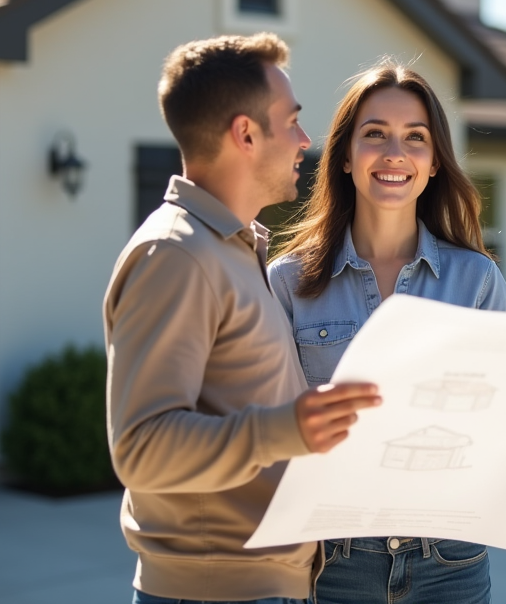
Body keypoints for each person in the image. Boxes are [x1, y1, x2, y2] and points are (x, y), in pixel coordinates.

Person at [268, 62, 506, 604]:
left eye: (416, 138)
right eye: (375, 135)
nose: (395, 153)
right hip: (331, 563)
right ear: (344, 156)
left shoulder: (477, 279)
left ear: (434, 164)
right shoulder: (288, 283)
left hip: (451, 562)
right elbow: (264, 434)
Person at [103, 34, 382, 604]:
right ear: (246, 134)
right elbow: (140, 447)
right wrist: (285, 429)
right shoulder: (177, 255)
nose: (307, 141)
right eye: (293, 122)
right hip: (216, 592)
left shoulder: (233, 249)